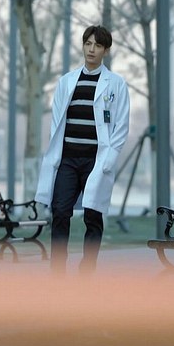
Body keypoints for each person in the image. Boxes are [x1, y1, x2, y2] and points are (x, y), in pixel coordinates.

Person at [35, 25, 131, 275]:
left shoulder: (116, 84)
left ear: (106, 51)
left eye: (98, 45)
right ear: (83, 46)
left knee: (93, 214)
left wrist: (109, 159)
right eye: (88, 44)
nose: (91, 49)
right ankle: (58, 269)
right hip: (68, 159)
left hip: (95, 161)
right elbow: (57, 123)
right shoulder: (67, 82)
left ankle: (87, 268)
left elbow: (121, 126)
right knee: (60, 211)